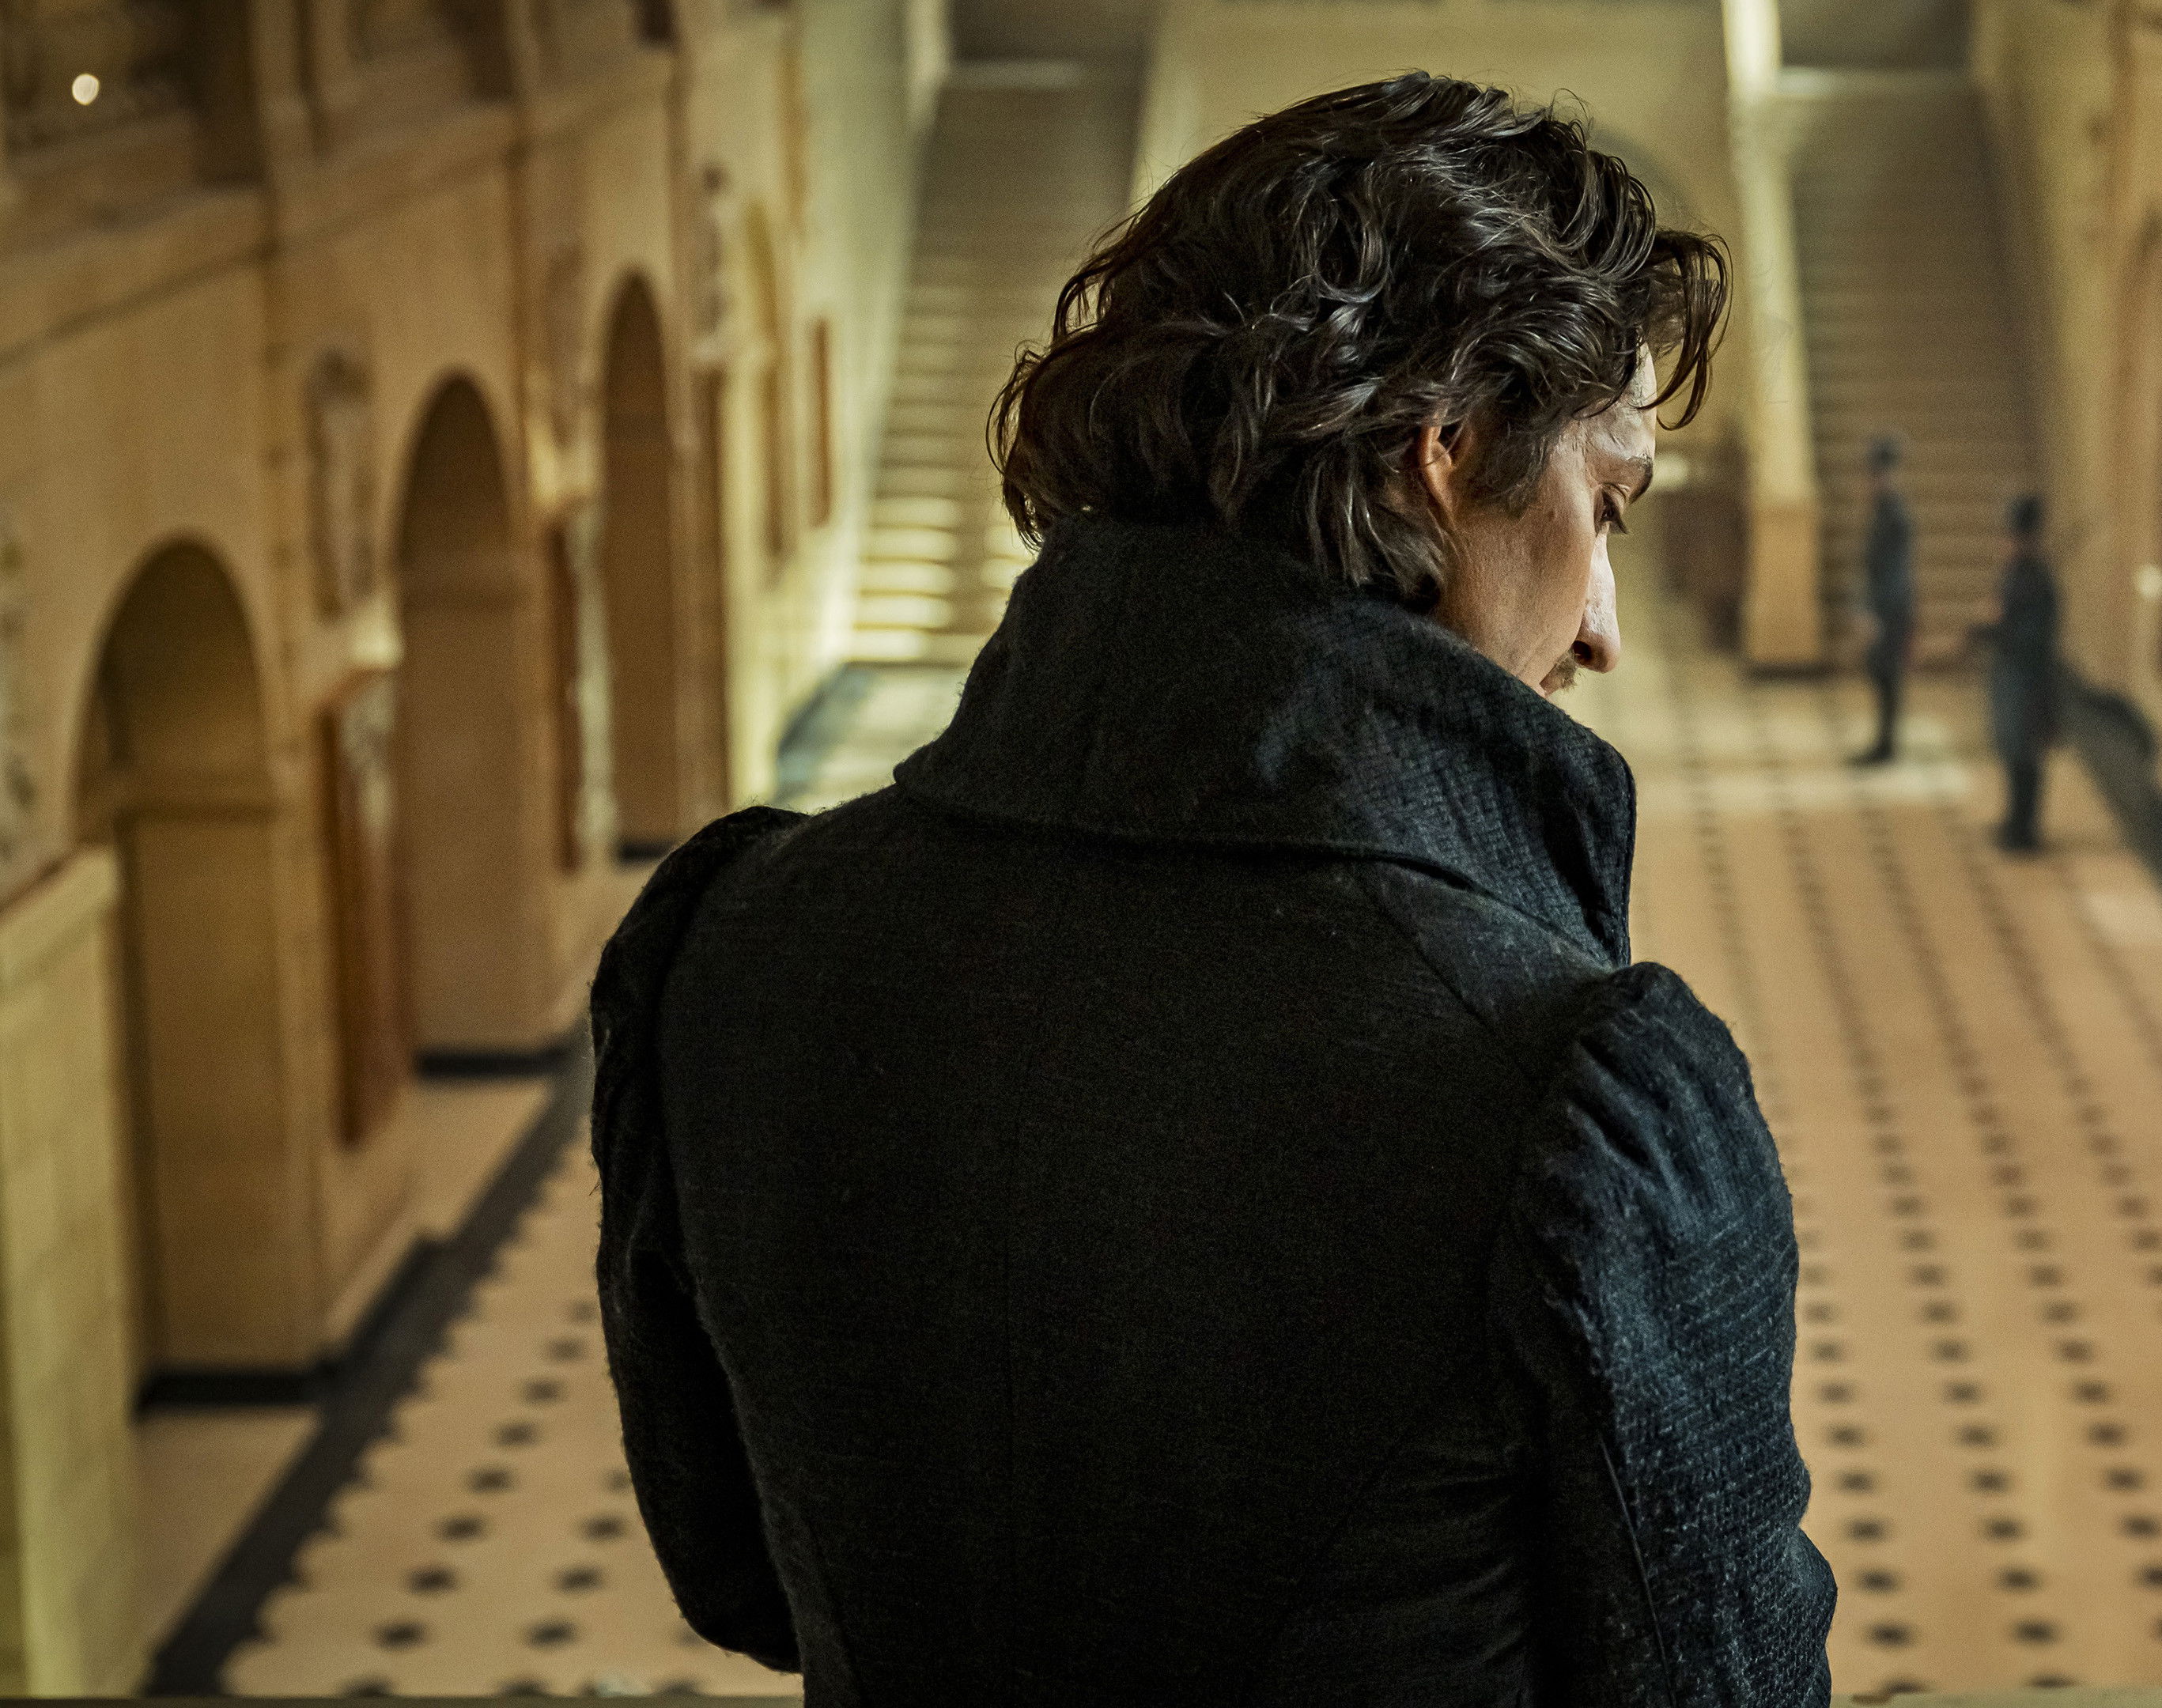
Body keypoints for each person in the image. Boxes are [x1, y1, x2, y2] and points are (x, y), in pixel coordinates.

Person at [588, 73, 1834, 1706]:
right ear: (1450, 448)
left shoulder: (735, 942)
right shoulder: (1566, 1090)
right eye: (1604, 506)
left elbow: (739, 1569)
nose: (1600, 623)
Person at [1978, 494, 2066, 852]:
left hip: (2029, 679)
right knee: (2012, 752)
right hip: (2010, 674)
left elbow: (2036, 637)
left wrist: (1999, 623)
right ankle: (2014, 819)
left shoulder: (2040, 582)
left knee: (2026, 755)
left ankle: (2025, 829)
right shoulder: (2014, 576)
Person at [1850, 433, 1914, 765]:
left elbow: (1894, 572)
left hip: (1891, 609)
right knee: (1881, 677)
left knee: (1887, 676)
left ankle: (1886, 745)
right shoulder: (1883, 512)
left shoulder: (1894, 516)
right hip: (1885, 606)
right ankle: (1885, 742)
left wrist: (1875, 614)